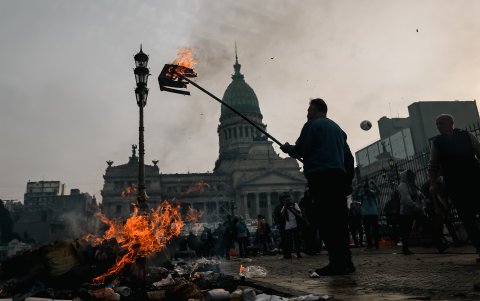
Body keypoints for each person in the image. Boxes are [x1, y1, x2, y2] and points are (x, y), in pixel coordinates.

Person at [280, 98, 355, 275]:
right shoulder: (338, 129)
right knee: (340, 222)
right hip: (338, 178)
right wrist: (347, 181)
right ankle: (347, 262)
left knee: (326, 221)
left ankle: (336, 263)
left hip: (321, 178)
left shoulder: (312, 126)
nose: (307, 113)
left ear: (316, 111)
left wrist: (287, 148)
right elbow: (349, 158)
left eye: (309, 110)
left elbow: (301, 150)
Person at [428, 113, 480, 261]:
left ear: (451, 123)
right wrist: (432, 184)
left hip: (475, 179)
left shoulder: (466, 135)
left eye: (441, 123)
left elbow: (479, 152)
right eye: (437, 124)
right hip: (455, 185)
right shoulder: (437, 142)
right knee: (467, 218)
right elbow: (432, 165)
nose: (439, 126)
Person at [398, 170, 425, 255]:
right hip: (406, 212)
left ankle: (438, 243)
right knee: (406, 231)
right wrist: (415, 206)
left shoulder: (412, 185)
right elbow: (406, 199)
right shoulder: (402, 186)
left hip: (414, 210)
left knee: (424, 223)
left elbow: (417, 196)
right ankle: (405, 248)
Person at [357, 179, 380, 250]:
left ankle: (376, 244)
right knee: (367, 231)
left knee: (375, 230)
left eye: (367, 187)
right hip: (367, 214)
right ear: (364, 189)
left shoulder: (372, 193)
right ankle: (370, 244)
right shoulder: (362, 195)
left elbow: (378, 191)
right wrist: (358, 188)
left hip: (373, 213)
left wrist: (374, 184)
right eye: (365, 187)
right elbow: (355, 196)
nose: (366, 189)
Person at [280, 192, 303, 259]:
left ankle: (298, 253)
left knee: (297, 240)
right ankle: (289, 254)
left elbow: (299, 213)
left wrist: (292, 208)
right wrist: (286, 206)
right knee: (289, 241)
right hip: (288, 226)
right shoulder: (284, 206)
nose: (289, 201)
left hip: (295, 225)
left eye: (289, 200)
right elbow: (282, 215)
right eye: (287, 200)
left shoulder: (295, 205)